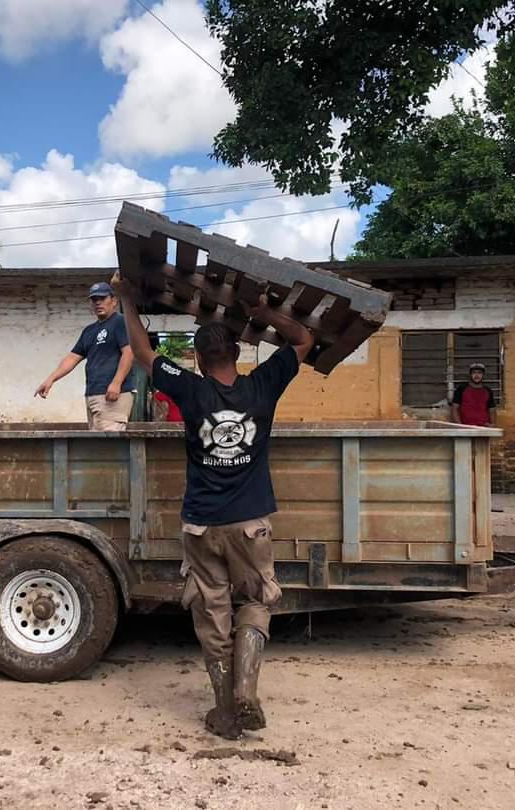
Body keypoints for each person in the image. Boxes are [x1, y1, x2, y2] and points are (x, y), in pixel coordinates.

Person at [113, 273, 314, 740]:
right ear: (239, 354)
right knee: (257, 602)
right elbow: (304, 339)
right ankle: (246, 692)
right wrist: (265, 314)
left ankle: (226, 706)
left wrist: (126, 295)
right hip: (250, 525)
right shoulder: (265, 383)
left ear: (199, 360)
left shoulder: (191, 388)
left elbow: (143, 354)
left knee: (211, 612)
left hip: (201, 527)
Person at [34, 281, 135, 430]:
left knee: (107, 447)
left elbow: (129, 352)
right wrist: (51, 379)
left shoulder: (120, 322)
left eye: (102, 298)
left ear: (113, 301)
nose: (98, 303)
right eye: (94, 300)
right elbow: (72, 358)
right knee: (96, 446)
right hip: (93, 394)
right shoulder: (89, 331)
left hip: (113, 395)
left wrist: (117, 382)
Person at [451, 362, 497, 426]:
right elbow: (455, 408)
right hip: (466, 427)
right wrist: (460, 425)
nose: (477, 375)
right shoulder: (461, 388)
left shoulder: (488, 390)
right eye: (474, 372)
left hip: (484, 427)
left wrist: (493, 425)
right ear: (470, 374)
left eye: (479, 373)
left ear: (483, 375)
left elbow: (492, 410)